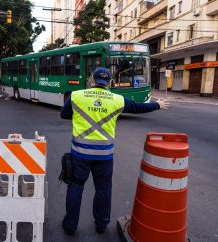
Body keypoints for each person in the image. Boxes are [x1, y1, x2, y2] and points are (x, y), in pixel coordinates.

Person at [60, 67, 170, 236]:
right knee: (103, 189)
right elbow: (137, 107)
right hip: (104, 156)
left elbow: (64, 114)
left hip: (80, 154)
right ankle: (101, 224)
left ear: (92, 81)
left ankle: (70, 225)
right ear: (109, 82)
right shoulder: (117, 99)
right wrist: (156, 105)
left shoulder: (76, 96)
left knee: (76, 186)